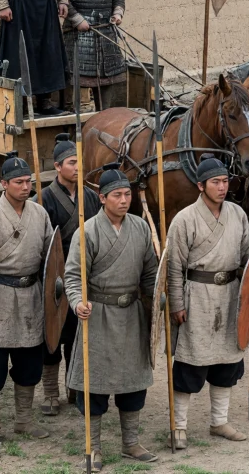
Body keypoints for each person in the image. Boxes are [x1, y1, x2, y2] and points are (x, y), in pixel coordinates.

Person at [66, 164, 160, 467]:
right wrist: (78, 301)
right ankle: (93, 447)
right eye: (117, 195)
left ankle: (130, 443)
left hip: (132, 314)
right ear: (102, 198)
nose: (124, 200)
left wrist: (159, 300)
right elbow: (72, 276)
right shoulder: (87, 231)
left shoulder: (141, 227)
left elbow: (149, 273)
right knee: (95, 385)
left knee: (133, 382)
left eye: (127, 194)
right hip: (98, 316)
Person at [166, 155, 249, 448]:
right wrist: (177, 303)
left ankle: (219, 421)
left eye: (225, 181)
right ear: (200, 185)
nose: (222, 187)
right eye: (215, 182)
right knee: (192, 362)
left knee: (227, 360)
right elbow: (175, 266)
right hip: (198, 296)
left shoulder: (238, 214)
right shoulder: (184, 219)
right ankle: (178, 426)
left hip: (230, 295)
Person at [0, 152, 51, 444]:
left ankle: (24, 421)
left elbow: (51, 257)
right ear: (4, 184)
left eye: (29, 181)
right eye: (18, 182)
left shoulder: (39, 214)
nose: (25, 186)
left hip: (31, 298)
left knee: (29, 367)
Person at [38, 134, 99, 415]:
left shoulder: (90, 197)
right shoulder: (44, 199)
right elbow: (42, 245)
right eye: (72, 162)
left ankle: (75, 388)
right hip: (54, 280)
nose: (78, 167)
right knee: (52, 337)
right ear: (58, 166)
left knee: (77, 338)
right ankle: (50, 392)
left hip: (82, 279)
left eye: (80, 162)